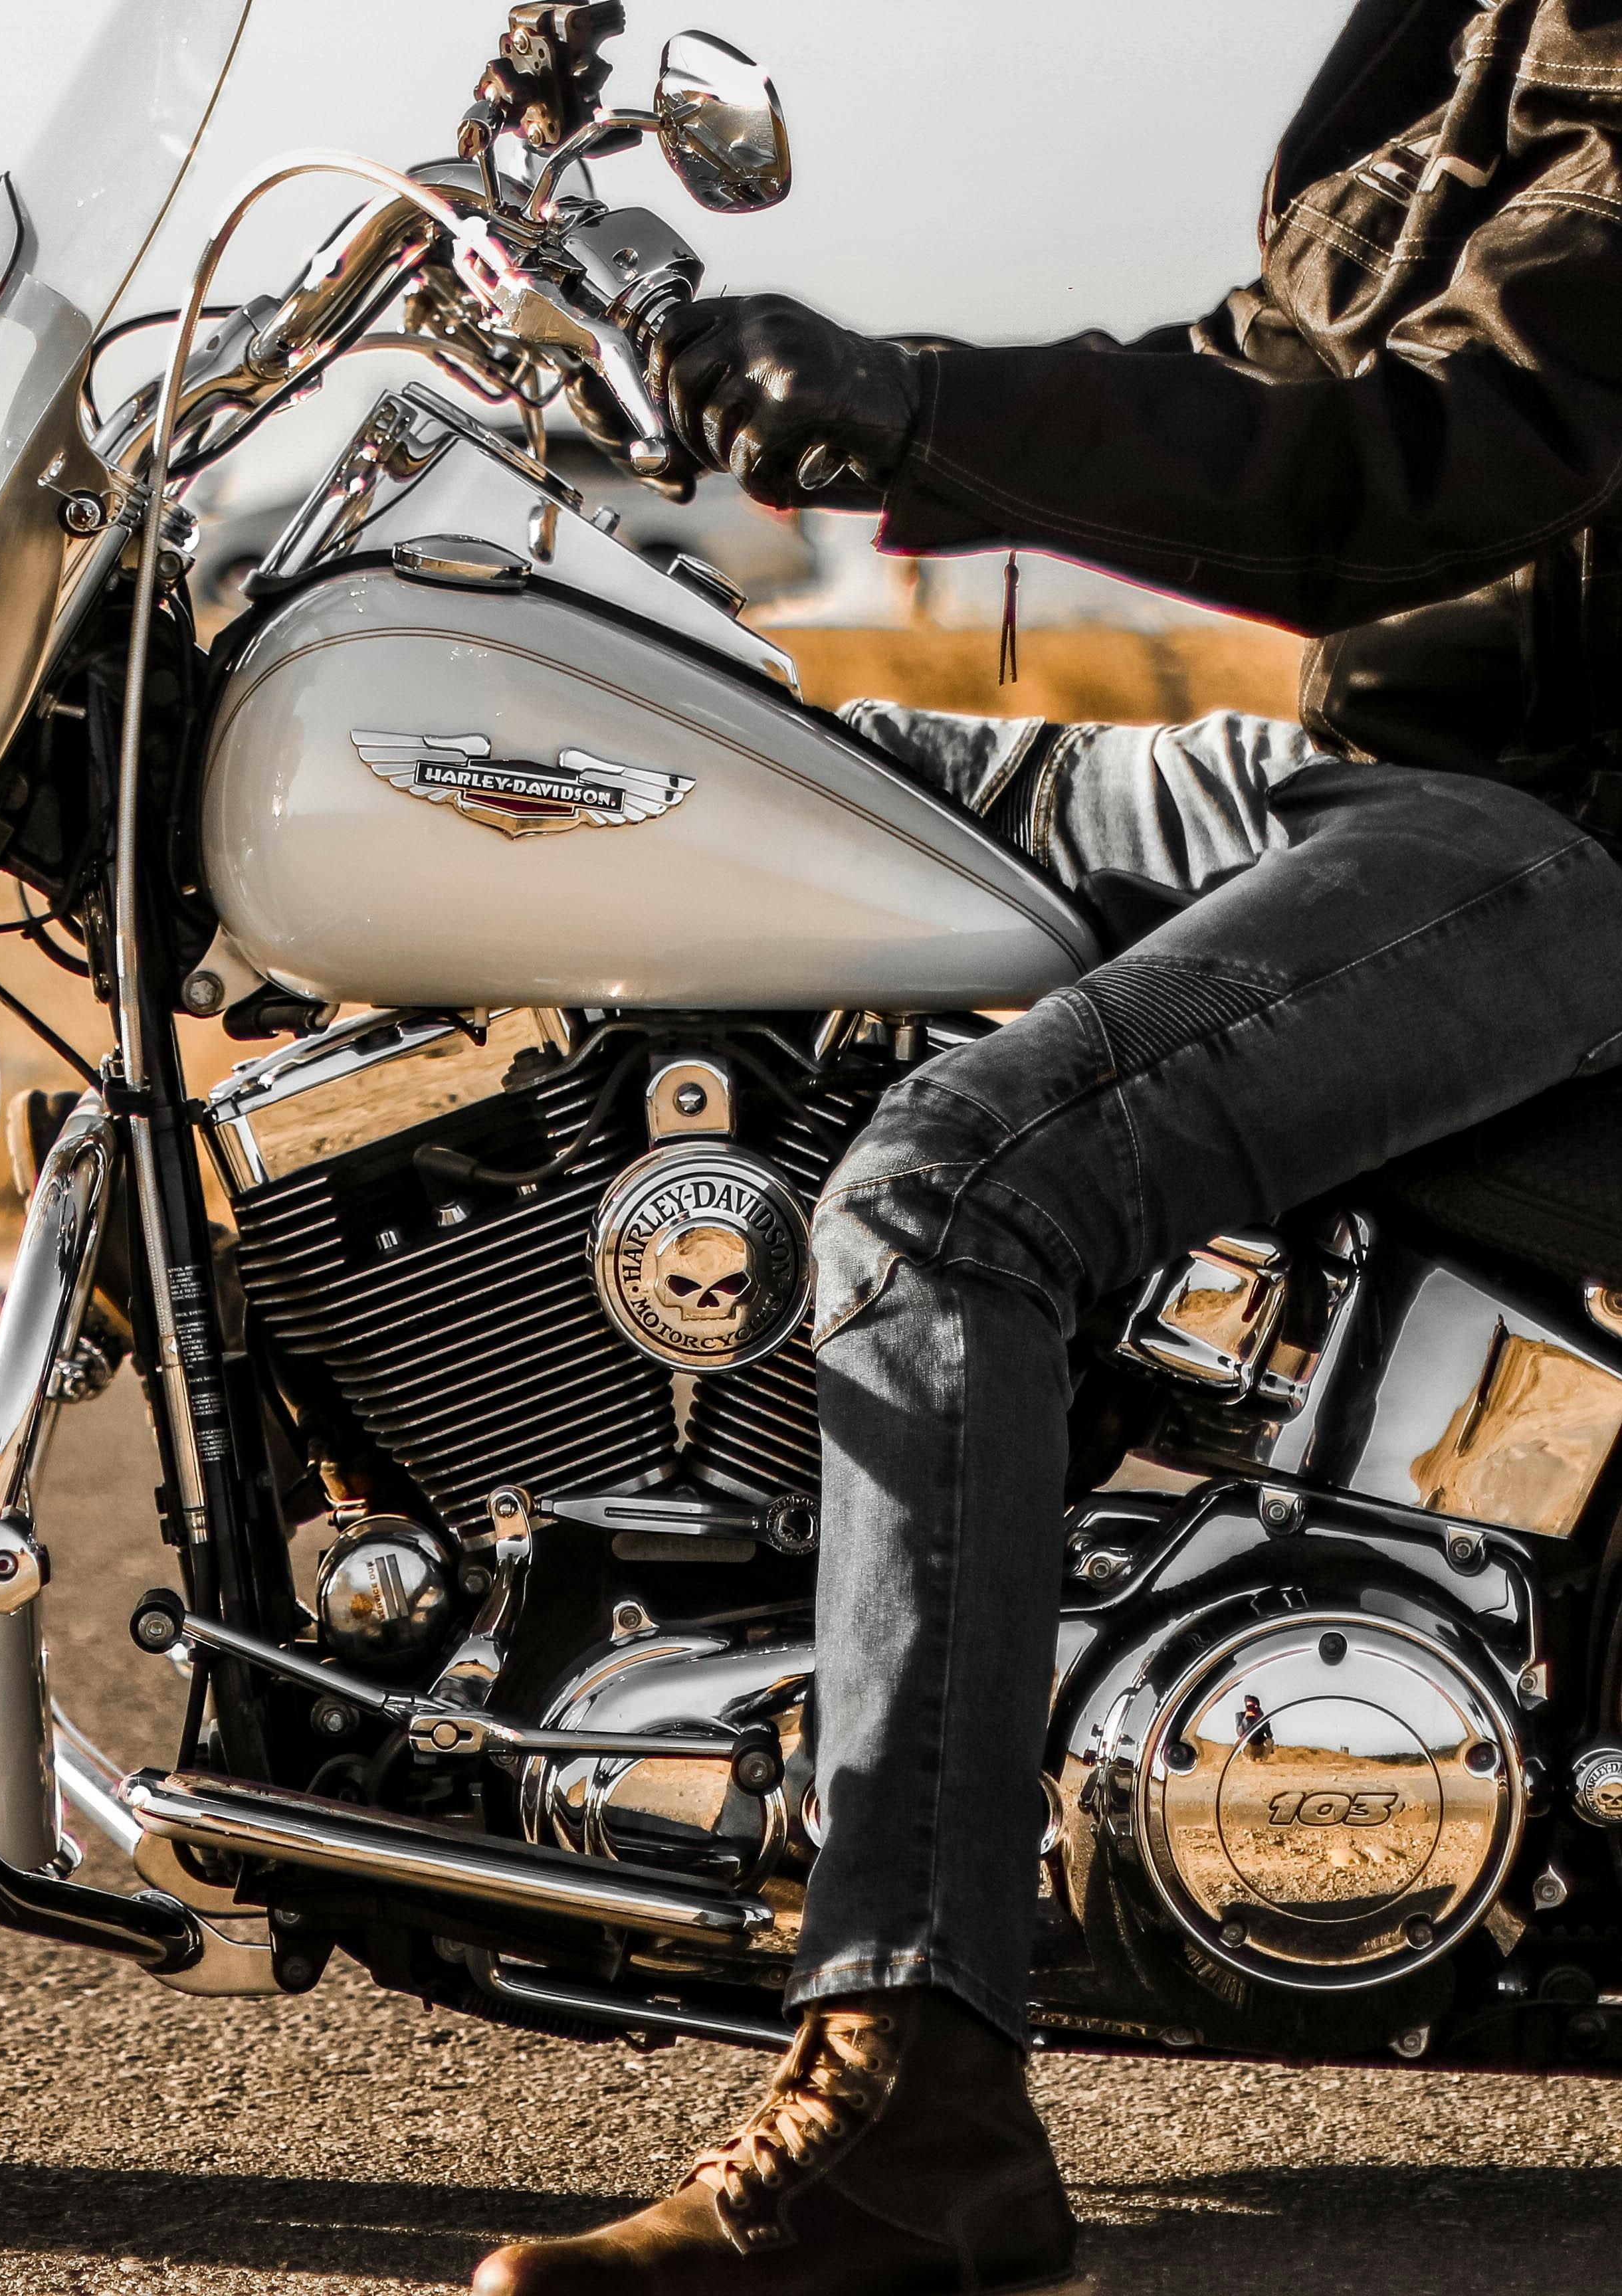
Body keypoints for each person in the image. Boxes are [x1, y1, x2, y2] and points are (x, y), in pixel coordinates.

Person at [475, 4, 1622, 2291]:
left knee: (953, 1192)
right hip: (1367, 775)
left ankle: (917, 2097)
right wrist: (818, 395)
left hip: (1556, 842)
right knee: (732, 773)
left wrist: (920, 411)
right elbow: (1274, 363)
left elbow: (1448, 456)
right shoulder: (1462, 26)